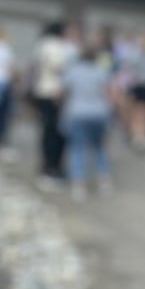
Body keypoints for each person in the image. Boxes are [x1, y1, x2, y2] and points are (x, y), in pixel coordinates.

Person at [60, 37, 113, 199]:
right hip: (99, 113)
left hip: (78, 113)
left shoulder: (73, 71)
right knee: (99, 148)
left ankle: (79, 185)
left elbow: (62, 91)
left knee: (78, 148)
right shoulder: (101, 71)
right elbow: (108, 93)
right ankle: (104, 181)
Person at [32, 20, 76, 180]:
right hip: (55, 93)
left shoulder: (41, 45)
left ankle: (47, 164)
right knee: (56, 132)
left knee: (47, 130)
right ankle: (52, 166)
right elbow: (59, 67)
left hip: (43, 91)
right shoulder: (57, 46)